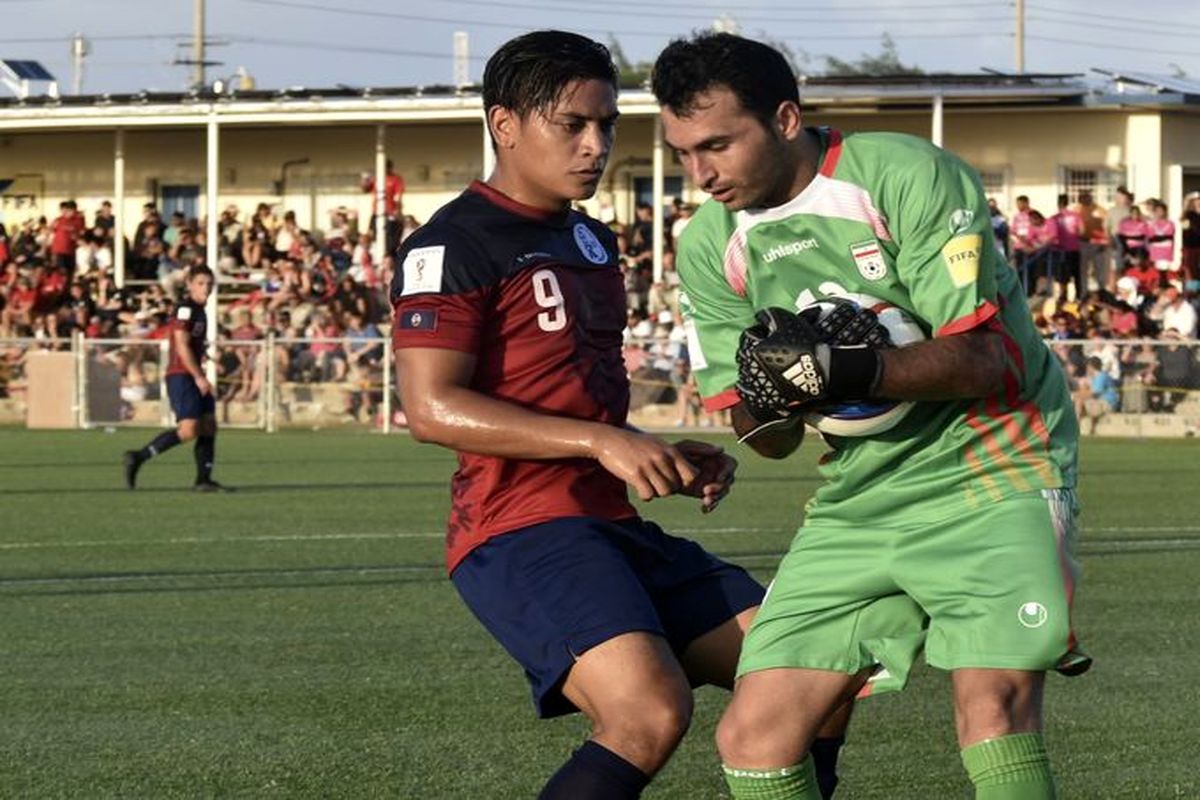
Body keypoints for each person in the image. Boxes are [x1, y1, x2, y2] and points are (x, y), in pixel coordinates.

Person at [390, 30, 847, 800]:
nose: (597, 145)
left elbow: (566, 398)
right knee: (648, 712)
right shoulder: (453, 242)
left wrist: (648, 449)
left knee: (816, 667)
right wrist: (605, 441)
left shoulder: (589, 240)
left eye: (608, 124)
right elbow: (431, 409)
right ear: (505, 125)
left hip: (608, 524)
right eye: (573, 124)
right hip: (517, 529)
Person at [653, 32, 1087, 800]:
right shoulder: (708, 246)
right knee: (753, 735)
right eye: (682, 151)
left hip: (992, 467)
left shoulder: (904, 174)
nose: (700, 173)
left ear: (786, 118)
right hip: (859, 498)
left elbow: (988, 359)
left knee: (992, 709)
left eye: (717, 144)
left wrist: (847, 367)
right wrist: (773, 394)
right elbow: (766, 438)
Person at [123, 264, 231, 492]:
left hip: (193, 373)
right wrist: (200, 376)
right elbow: (181, 345)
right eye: (201, 283)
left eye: (210, 284)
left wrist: (209, 359)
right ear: (190, 284)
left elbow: (193, 344)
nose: (207, 288)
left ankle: (203, 480)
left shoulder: (200, 311)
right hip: (181, 376)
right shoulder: (185, 308)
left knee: (209, 425)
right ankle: (139, 457)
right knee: (189, 429)